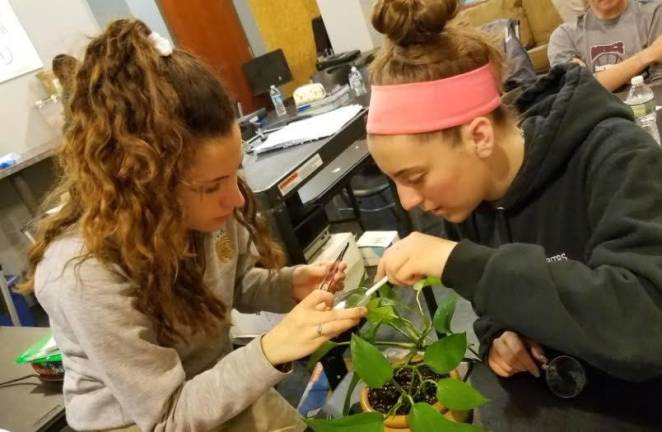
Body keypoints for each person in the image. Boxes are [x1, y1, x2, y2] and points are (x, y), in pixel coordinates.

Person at [19, 19, 366, 432]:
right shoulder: (80, 274)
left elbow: (230, 284)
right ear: (143, 184)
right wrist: (269, 351)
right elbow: (166, 416)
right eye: (211, 186)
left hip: (211, 384)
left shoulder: (206, 211)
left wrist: (288, 285)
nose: (236, 200)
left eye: (234, 174)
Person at [367, 0, 662, 383]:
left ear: (479, 136)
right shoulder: (465, 199)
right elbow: (493, 301)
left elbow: (647, 324)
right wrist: (497, 335)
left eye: (415, 176)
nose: (408, 201)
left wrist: (464, 264)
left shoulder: (617, 157)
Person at [548, 0, 662, 91]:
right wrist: (648, 55)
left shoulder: (655, 13)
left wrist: (593, 80)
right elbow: (575, 93)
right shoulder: (565, 36)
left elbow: (659, 86)